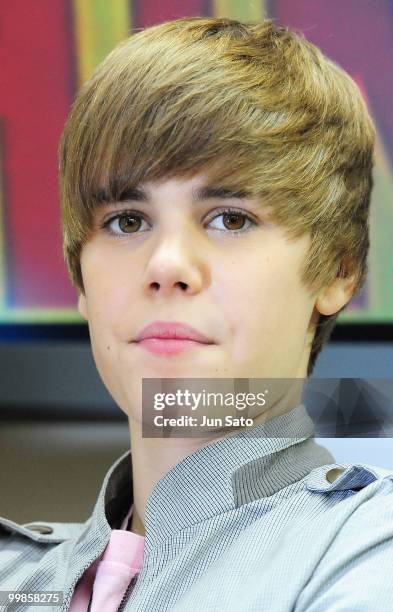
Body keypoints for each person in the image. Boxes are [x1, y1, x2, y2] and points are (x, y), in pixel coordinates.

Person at [1, 16, 392, 612]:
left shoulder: (368, 552)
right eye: (126, 221)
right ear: (80, 278)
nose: (166, 264)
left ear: (338, 270)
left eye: (230, 218)